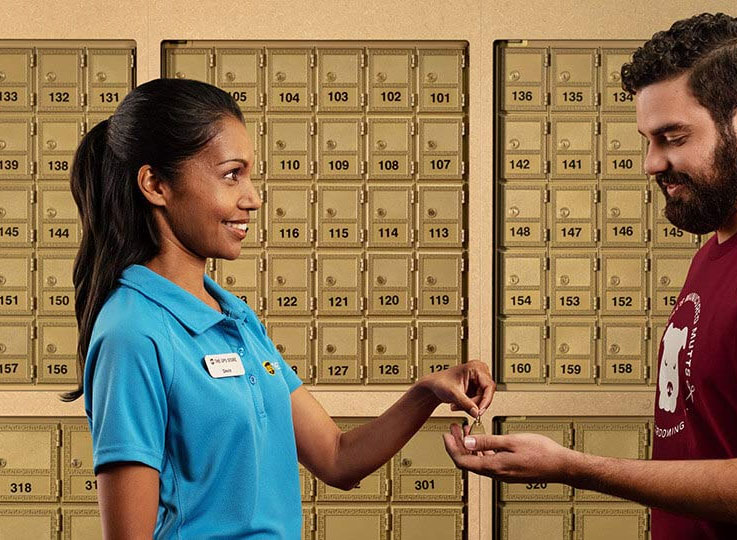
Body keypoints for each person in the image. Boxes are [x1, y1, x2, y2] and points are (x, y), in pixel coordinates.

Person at [445, 13, 737, 539]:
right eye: (648, 139)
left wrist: (572, 467)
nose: (652, 162)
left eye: (673, 137)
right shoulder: (723, 246)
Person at [64, 78, 495, 539]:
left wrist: (426, 393)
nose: (252, 197)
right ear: (156, 185)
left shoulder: (233, 318)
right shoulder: (132, 332)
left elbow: (337, 458)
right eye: (232, 174)